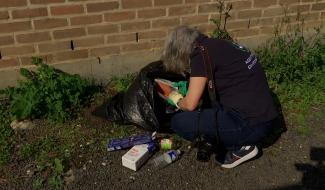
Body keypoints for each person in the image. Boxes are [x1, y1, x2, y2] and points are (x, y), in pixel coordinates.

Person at [161, 26, 278, 168]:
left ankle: (241, 147)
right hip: (264, 116)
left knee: (179, 122)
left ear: (179, 51)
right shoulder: (216, 45)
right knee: (205, 109)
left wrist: (175, 98)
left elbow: (190, 104)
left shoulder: (199, 55)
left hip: (251, 125)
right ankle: (234, 136)